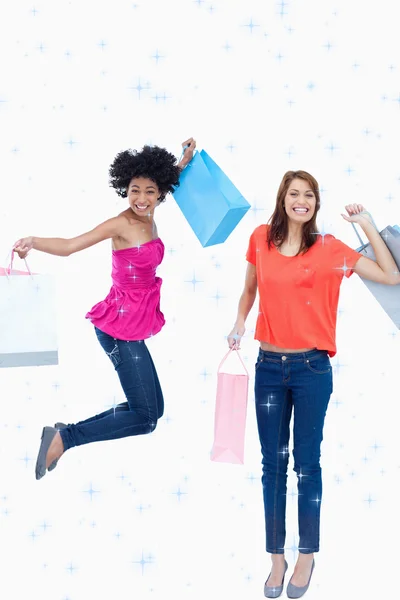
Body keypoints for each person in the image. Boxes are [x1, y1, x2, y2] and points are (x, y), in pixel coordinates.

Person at [227, 170, 400, 599]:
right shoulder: (261, 237)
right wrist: (238, 323)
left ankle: (306, 554)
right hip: (267, 368)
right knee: (272, 466)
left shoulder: (330, 250)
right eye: (293, 194)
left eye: (308, 195)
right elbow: (249, 289)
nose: (300, 201)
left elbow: (390, 276)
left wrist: (367, 225)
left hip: (312, 371)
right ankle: (275, 558)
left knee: (307, 464)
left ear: (315, 203)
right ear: (282, 199)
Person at [13, 138, 196, 481]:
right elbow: (70, 246)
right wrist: (33, 242)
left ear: (161, 194)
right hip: (117, 328)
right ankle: (64, 439)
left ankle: (64, 433)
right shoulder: (121, 224)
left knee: (153, 411)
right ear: (124, 188)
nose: (141, 198)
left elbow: (170, 177)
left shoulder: (151, 216)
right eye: (134, 190)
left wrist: (183, 160)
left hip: (134, 326)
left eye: (150, 191)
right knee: (145, 417)